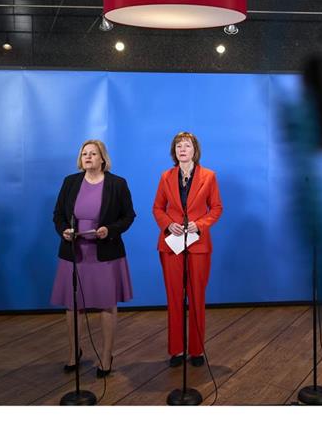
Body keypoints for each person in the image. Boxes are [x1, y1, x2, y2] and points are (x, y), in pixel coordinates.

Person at [50, 139, 135, 378]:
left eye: (93, 153)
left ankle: (106, 356)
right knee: (72, 305)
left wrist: (110, 229)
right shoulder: (70, 182)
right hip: (73, 252)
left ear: (102, 158)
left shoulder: (117, 184)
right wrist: (64, 230)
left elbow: (129, 216)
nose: (88, 157)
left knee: (107, 304)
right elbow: (57, 216)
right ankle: (72, 353)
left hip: (105, 252)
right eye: (84, 153)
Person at [152, 132, 223, 368]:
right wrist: (167, 224)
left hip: (198, 244)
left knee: (196, 298)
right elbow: (157, 208)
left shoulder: (209, 176)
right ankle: (176, 350)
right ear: (174, 151)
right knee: (173, 298)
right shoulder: (165, 176)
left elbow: (216, 208)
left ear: (195, 150)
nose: (183, 149)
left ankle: (196, 350)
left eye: (187, 145)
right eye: (179, 146)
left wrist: (200, 225)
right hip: (171, 244)